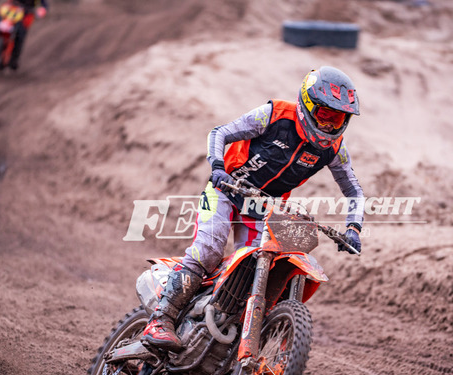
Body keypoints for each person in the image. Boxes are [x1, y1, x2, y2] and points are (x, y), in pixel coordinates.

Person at [142, 66, 365, 351]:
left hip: (262, 209)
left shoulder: (334, 149)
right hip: (226, 189)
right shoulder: (274, 115)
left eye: (338, 119)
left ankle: (225, 335)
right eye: (325, 115)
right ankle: (160, 320)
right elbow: (220, 133)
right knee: (208, 252)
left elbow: (354, 191)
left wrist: (353, 228)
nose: (330, 126)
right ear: (308, 105)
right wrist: (218, 167)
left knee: (256, 268)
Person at [0, 0, 49, 70]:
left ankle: (14, 59)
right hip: (10, 9)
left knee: (20, 35)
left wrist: (42, 10)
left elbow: (44, 5)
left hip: (25, 15)